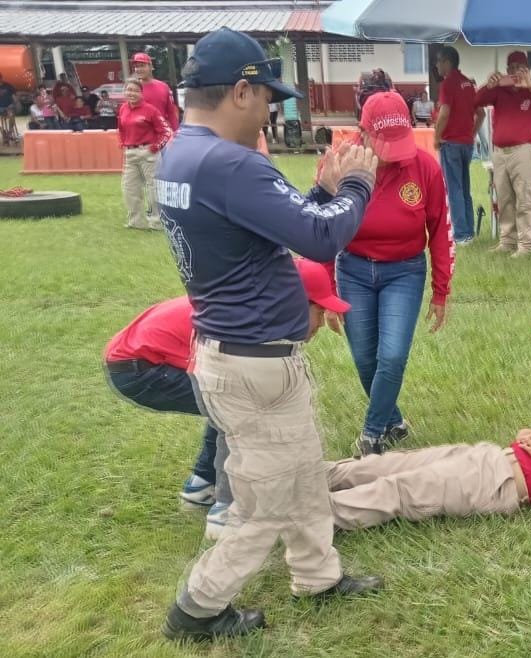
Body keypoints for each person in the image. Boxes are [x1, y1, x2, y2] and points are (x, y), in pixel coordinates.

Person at [155, 27, 382, 642]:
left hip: (237, 352)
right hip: (255, 362)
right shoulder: (229, 162)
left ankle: (318, 574)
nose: (270, 109)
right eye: (266, 98)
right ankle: (197, 609)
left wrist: (318, 196)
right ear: (239, 91)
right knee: (265, 502)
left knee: (304, 471)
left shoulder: (182, 154)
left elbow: (264, 228)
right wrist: (357, 185)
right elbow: (319, 237)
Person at [104, 258, 352, 539]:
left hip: (137, 361)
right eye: (318, 313)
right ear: (292, 305)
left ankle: (201, 485)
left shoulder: (255, 309)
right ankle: (226, 510)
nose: (319, 325)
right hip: (139, 368)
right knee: (238, 406)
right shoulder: (245, 326)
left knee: (228, 402)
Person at [323, 91, 453, 457]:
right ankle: (393, 422)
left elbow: (440, 230)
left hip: (404, 271)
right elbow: (320, 228)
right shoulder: (340, 163)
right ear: (362, 133)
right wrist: (325, 290)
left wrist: (441, 290)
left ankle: (372, 435)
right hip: (354, 268)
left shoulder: (425, 168)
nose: (395, 154)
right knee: (365, 357)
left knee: (392, 355)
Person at [329, 384, 531, 529]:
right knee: (387, 464)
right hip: (487, 457)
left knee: (402, 488)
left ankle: (315, 515)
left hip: (498, 484)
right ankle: (310, 475)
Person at [475, 51, 531, 256]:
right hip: (500, 152)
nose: (514, 72)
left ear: (527, 69)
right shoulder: (500, 91)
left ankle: (526, 245)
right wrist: (489, 84)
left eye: (519, 68)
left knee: (525, 199)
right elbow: (475, 100)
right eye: (511, 68)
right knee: (504, 199)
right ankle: (507, 241)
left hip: (523, 150)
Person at [434, 46, 484, 245]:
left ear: (447, 62)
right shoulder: (468, 84)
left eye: (438, 61)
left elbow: (444, 113)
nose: (437, 65)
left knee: (454, 188)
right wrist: (471, 134)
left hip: (451, 144)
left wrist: (436, 137)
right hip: (466, 144)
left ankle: (461, 235)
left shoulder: (448, 84)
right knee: (464, 188)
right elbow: (481, 114)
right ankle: (469, 230)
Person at [117, 79, 172, 230]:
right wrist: (122, 143)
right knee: (129, 187)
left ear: (141, 93)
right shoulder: (123, 109)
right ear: (125, 92)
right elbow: (121, 128)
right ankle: (136, 222)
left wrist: (156, 147)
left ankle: (157, 222)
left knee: (153, 188)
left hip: (148, 152)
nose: (131, 93)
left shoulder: (151, 110)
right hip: (130, 153)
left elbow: (166, 131)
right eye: (129, 90)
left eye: (135, 90)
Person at [132, 52, 180, 132]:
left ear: (151, 67)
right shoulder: (133, 89)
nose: (139, 69)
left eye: (142, 66)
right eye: (136, 67)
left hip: (161, 134)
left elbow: (171, 112)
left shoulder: (163, 87)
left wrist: (176, 132)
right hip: (141, 137)